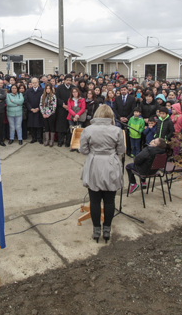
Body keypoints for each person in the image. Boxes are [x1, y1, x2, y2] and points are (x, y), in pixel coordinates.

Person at [79, 104, 126, 243]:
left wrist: (95, 152)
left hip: (94, 164)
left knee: (94, 200)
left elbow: (83, 150)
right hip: (111, 164)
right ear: (111, 116)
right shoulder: (117, 130)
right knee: (109, 200)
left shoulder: (88, 129)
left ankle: (96, 230)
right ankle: (107, 229)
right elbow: (121, 150)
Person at [55, 75, 73, 147]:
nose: (68, 81)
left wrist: (70, 107)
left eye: (70, 80)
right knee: (61, 126)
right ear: (64, 80)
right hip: (61, 109)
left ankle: (68, 142)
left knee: (69, 126)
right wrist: (63, 104)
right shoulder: (59, 88)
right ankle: (60, 141)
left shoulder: (73, 88)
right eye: (67, 80)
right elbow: (57, 97)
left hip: (71, 110)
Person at [25, 78, 44, 144]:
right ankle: (34, 138)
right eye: (33, 82)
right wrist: (31, 109)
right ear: (31, 83)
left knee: (39, 125)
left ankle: (40, 138)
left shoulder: (42, 90)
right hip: (31, 110)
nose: (34, 84)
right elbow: (26, 101)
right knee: (32, 125)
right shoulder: (28, 91)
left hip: (39, 110)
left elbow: (44, 100)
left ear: (38, 83)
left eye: (36, 82)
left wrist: (39, 108)